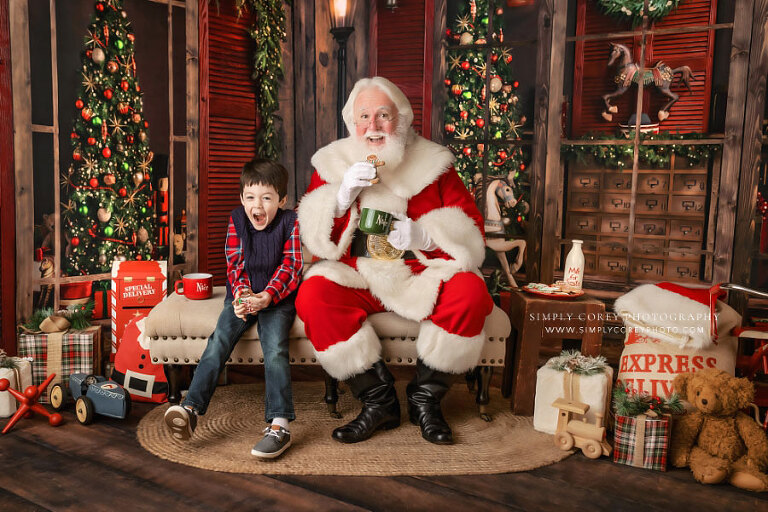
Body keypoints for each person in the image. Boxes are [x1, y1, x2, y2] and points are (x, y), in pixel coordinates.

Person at [295, 77, 493, 445]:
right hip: (357, 273)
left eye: (383, 115)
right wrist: (340, 199)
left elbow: (472, 233)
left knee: (471, 293)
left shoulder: (435, 164)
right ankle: (378, 401)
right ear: (353, 124)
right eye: (364, 116)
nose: (372, 126)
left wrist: (425, 237)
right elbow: (312, 240)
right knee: (314, 294)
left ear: (401, 119)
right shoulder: (331, 161)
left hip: (419, 272)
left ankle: (425, 399)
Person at [164, 159, 303, 459]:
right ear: (242, 199)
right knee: (219, 341)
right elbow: (234, 265)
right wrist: (241, 297)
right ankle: (190, 410)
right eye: (251, 197)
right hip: (243, 296)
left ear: (282, 200)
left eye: (267, 198)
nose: (259, 205)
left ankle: (280, 425)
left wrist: (267, 296)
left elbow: (292, 267)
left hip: (277, 298)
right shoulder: (236, 220)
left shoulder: (291, 223)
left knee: (275, 348)